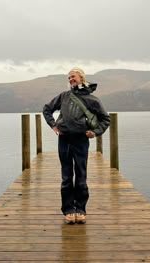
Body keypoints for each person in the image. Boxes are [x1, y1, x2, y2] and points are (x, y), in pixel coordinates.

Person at [43, 68, 110, 224]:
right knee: (66, 177)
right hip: (64, 140)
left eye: (73, 76)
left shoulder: (92, 99)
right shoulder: (64, 96)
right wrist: (53, 126)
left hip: (81, 140)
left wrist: (95, 132)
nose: (70, 79)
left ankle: (80, 209)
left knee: (81, 176)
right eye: (69, 77)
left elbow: (105, 119)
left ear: (81, 78)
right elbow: (47, 109)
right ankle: (68, 209)